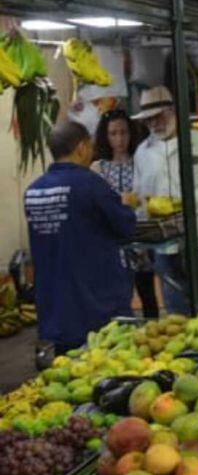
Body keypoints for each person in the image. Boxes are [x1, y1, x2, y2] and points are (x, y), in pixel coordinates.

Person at [24, 121, 136, 353]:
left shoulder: (33, 191)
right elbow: (126, 226)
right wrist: (126, 204)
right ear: (82, 147)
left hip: (54, 310)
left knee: (67, 375)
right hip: (96, 307)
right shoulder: (91, 184)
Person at [132, 86, 198, 315]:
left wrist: (196, 196)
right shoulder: (142, 153)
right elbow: (139, 195)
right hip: (164, 241)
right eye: (149, 121)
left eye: (159, 117)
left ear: (173, 112)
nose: (154, 124)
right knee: (175, 305)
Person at [92, 109, 159, 319]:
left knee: (147, 294)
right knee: (118, 298)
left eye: (123, 132)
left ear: (131, 134)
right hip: (111, 242)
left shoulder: (141, 162)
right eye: (113, 133)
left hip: (141, 236)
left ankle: (154, 332)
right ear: (106, 136)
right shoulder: (98, 168)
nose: (119, 139)